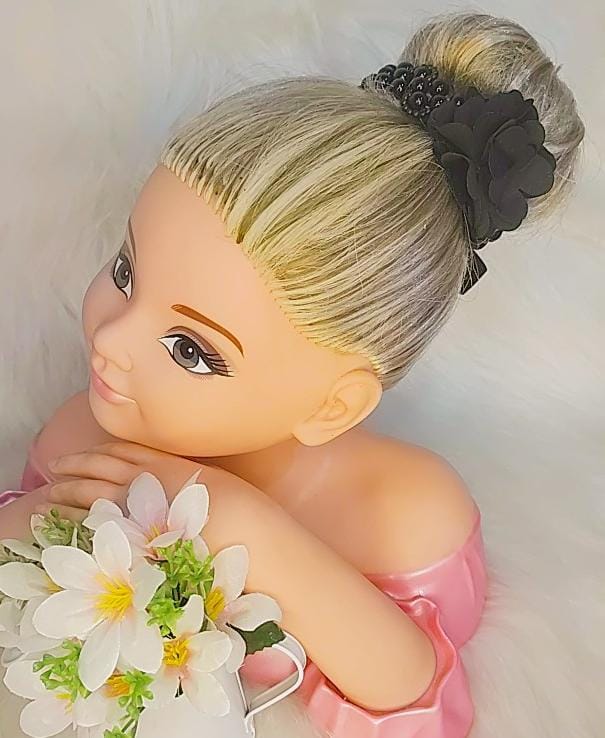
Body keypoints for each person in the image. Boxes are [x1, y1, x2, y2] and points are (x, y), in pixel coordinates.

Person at [0, 11, 583, 737]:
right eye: (126, 272)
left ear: (334, 405)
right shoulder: (91, 437)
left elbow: (419, 701)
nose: (111, 339)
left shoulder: (404, 518)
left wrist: (241, 522)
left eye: (190, 349)